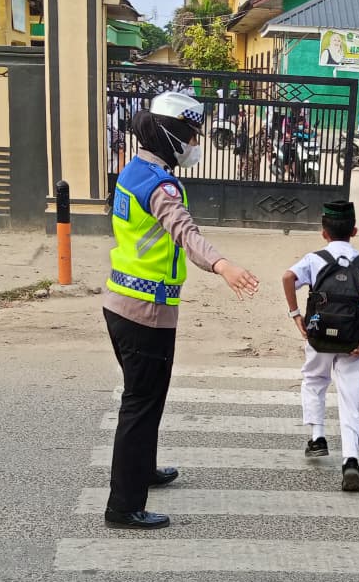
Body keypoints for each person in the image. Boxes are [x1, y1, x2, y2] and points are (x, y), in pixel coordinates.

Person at [104, 91, 260, 530]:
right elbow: (185, 232)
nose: (196, 143)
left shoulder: (133, 170)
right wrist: (223, 265)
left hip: (120, 301)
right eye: (192, 135)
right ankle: (123, 506)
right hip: (146, 311)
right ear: (172, 135)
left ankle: (144, 468)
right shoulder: (161, 186)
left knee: (146, 398)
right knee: (140, 404)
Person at [282, 200, 359, 492]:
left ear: (323, 232)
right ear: (354, 231)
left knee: (314, 380)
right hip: (353, 339)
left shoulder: (315, 259)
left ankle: (317, 437)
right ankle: (351, 459)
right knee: (350, 398)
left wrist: (295, 314)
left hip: (320, 336)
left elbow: (288, 277)